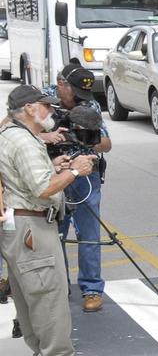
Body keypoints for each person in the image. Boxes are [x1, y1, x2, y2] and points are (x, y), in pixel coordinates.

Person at [0, 85, 95, 356]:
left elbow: (23, 177)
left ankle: (44, 354)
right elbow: (42, 189)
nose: (52, 111)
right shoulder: (26, 141)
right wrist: (75, 170)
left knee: (30, 295)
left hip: (18, 226)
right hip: (32, 225)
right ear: (29, 109)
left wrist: (53, 166)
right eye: (46, 106)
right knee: (48, 294)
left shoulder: (10, 134)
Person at [44, 64, 110, 313]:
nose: (81, 100)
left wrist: (88, 138)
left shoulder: (89, 104)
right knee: (54, 234)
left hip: (85, 176)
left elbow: (107, 144)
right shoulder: (44, 101)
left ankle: (92, 289)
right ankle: (59, 286)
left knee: (89, 234)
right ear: (61, 84)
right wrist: (47, 136)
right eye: (75, 93)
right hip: (53, 173)